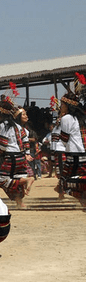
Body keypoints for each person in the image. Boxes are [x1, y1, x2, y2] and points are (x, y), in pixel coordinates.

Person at [0, 95, 34, 208]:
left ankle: (27, 180)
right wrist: (26, 153)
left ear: (0, 113)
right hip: (20, 156)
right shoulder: (18, 126)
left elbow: (3, 144)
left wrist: (0, 151)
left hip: (11, 156)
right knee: (16, 178)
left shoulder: (3, 126)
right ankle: (20, 203)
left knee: (2, 180)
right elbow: (25, 140)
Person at [57, 74, 86, 205]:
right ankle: (82, 203)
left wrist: (60, 146)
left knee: (69, 183)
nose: (60, 106)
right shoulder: (80, 118)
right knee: (73, 181)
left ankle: (83, 202)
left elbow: (64, 138)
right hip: (82, 154)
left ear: (68, 105)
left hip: (73, 155)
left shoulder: (66, 118)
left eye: (62, 104)